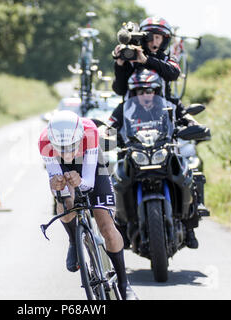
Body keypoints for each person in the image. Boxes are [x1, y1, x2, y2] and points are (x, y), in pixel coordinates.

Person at [38, 110, 135, 299]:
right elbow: (56, 186)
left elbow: (89, 183)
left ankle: (124, 285)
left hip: (90, 167)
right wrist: (59, 186)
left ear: (80, 137)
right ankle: (74, 241)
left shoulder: (90, 132)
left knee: (107, 227)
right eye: (61, 148)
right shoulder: (44, 142)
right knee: (65, 204)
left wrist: (78, 181)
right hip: (64, 170)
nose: (67, 153)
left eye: (71, 147)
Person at [113, 70, 200, 250]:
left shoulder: (169, 105)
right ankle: (122, 229)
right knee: (118, 180)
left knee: (187, 175)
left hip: (165, 151)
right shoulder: (124, 108)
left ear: (157, 90)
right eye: (139, 92)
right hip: (135, 154)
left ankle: (190, 227)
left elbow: (186, 116)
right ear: (133, 93)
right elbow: (110, 125)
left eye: (149, 90)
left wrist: (192, 125)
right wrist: (105, 134)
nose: (145, 95)